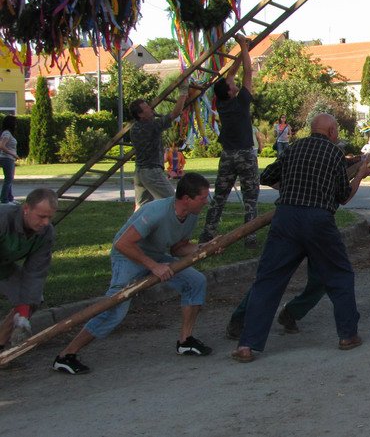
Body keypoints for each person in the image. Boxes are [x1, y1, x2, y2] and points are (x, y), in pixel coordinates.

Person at [232, 114, 370, 362]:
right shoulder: (333, 153)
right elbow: (344, 197)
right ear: (330, 132)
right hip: (318, 221)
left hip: (285, 218)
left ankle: (246, 344)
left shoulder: (294, 148)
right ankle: (347, 335)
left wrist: (292, 188)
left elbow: (267, 176)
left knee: (269, 280)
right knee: (339, 276)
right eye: (336, 130)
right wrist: (360, 174)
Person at [53, 173, 213, 375]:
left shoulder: (191, 214)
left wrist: (203, 247)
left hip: (155, 255)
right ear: (186, 199)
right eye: (202, 197)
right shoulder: (156, 212)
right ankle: (66, 355)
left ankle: (185, 341)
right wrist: (154, 266)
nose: (206, 201)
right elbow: (123, 244)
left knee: (195, 281)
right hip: (127, 256)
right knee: (114, 308)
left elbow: (178, 248)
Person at [200, 34, 260, 249]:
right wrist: (244, 48)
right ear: (230, 91)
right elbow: (247, 72)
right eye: (231, 84)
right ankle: (250, 236)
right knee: (250, 197)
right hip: (244, 154)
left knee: (220, 196)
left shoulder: (222, 104)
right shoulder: (241, 101)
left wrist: (241, 49)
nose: (233, 82)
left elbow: (234, 73)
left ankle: (207, 234)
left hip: (227, 156)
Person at [0, 189, 56, 349]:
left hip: (4, 267)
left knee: (33, 298)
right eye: (41, 216)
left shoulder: (46, 233)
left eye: (50, 217)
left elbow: (35, 273)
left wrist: (23, 313)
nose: (46, 222)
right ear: (26, 209)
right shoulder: (3, 218)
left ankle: (1, 342)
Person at [130, 83, 190, 210]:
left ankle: (135, 228)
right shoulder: (151, 126)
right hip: (151, 171)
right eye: (146, 108)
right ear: (140, 115)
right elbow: (175, 113)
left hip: (140, 171)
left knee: (141, 207)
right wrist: (183, 93)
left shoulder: (134, 128)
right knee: (172, 201)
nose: (151, 108)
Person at [0, 115, 18, 203]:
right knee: (8, 179)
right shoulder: (7, 133)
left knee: (10, 179)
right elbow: (2, 146)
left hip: (9, 158)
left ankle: (9, 198)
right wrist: (13, 154)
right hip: (7, 158)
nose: (16, 125)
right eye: (15, 123)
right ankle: (4, 200)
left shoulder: (8, 133)